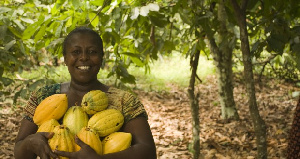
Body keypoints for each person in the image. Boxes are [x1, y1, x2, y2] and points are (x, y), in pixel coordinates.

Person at [14, 26, 157, 159]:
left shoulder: (124, 101)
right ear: (65, 58)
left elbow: (148, 151)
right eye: (76, 52)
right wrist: (29, 143)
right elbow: (19, 149)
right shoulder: (44, 96)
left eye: (92, 52)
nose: (83, 58)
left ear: (101, 57)